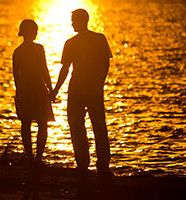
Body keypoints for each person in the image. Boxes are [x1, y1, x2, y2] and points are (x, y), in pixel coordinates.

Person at [51, 9, 113, 179]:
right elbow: (105, 63)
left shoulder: (71, 43)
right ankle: (103, 166)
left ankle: (83, 164)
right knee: (99, 127)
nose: (71, 23)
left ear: (80, 21)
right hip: (93, 88)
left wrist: (56, 90)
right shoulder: (99, 39)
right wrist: (101, 82)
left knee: (77, 127)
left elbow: (64, 69)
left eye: (73, 20)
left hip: (77, 89)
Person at [12, 19, 55, 167]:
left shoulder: (17, 52)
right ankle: (38, 158)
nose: (36, 33)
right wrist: (51, 89)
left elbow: (15, 75)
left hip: (24, 89)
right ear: (31, 32)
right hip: (38, 89)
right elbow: (44, 70)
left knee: (26, 123)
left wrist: (19, 92)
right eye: (35, 30)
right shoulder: (38, 49)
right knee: (42, 123)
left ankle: (30, 158)